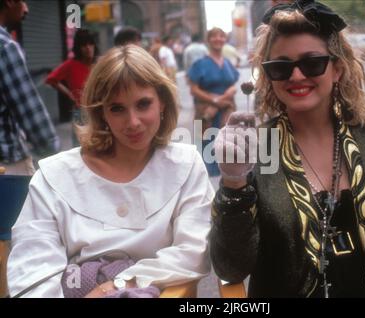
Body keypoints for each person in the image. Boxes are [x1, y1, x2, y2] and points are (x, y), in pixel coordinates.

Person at [210, 0, 365, 298]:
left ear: (337, 69)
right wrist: (233, 182)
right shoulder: (256, 149)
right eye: (280, 67)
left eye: (312, 62)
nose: (297, 76)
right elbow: (231, 268)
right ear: (268, 76)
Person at [7, 45, 213, 297]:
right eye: (117, 108)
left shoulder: (186, 164)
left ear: (162, 102)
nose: (133, 122)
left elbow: (194, 252)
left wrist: (117, 284)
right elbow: (33, 270)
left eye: (143, 104)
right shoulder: (54, 176)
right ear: (101, 112)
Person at [0, 0, 59, 175]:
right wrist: (54, 154)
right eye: (23, 1)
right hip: (7, 163)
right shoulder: (5, 47)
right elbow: (30, 112)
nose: (26, 9)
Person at [187, 27, 239, 176]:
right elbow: (194, 90)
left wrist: (231, 91)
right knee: (208, 144)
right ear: (208, 40)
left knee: (227, 143)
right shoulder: (200, 64)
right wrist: (216, 100)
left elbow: (232, 83)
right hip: (207, 113)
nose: (218, 39)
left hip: (226, 111)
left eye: (221, 36)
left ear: (225, 40)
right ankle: (209, 178)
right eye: (214, 36)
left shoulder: (228, 63)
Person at [46, 29, 98, 146]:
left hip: (99, 110)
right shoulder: (71, 65)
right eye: (84, 45)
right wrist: (69, 94)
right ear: (78, 48)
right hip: (81, 111)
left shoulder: (98, 64)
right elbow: (51, 79)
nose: (88, 48)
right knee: (81, 147)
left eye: (91, 44)